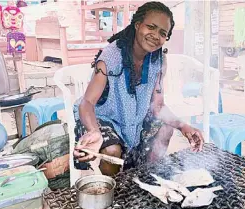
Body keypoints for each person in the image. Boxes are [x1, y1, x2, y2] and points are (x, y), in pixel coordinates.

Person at [73, 1, 204, 176]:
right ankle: (114, 190)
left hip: (135, 119)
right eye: (151, 27)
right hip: (103, 118)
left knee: (165, 128)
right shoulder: (111, 56)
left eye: (162, 33)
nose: (155, 35)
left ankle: (146, 177)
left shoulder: (158, 61)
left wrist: (184, 126)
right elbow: (87, 102)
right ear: (137, 25)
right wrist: (94, 131)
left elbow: (158, 107)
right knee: (112, 150)